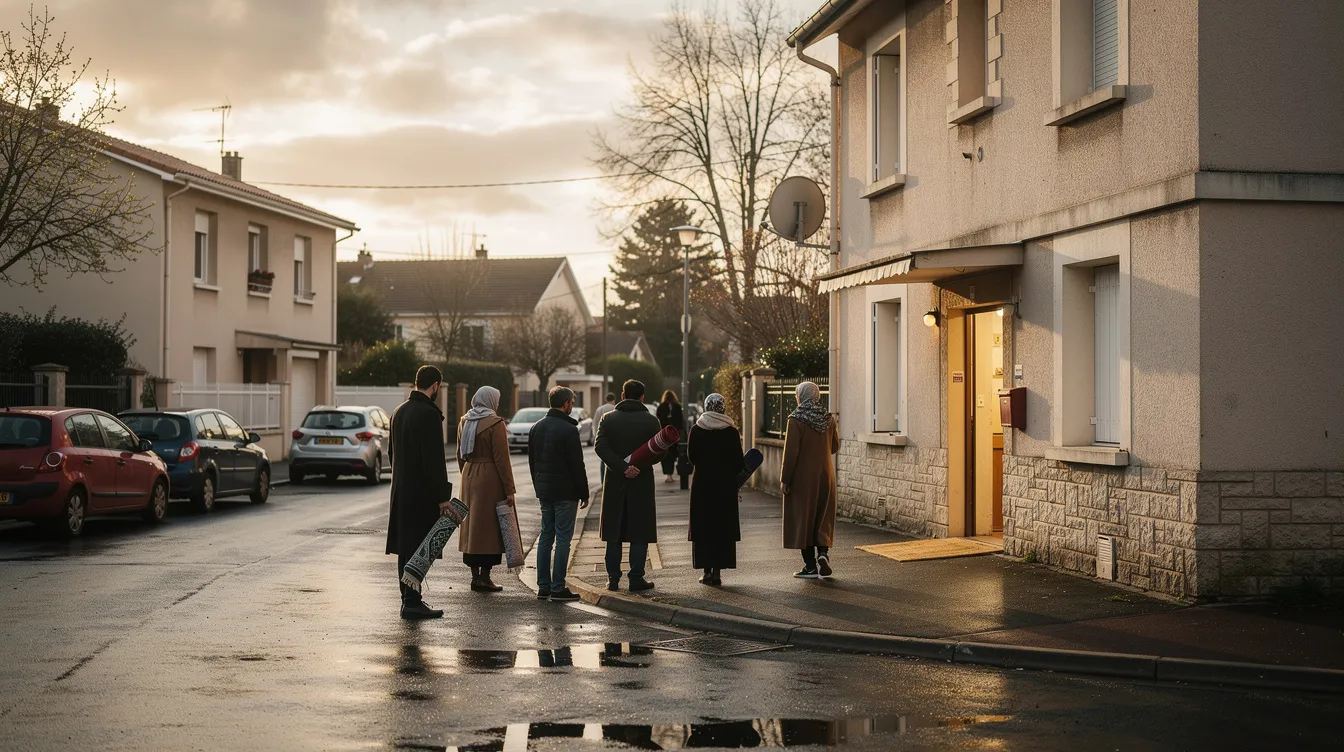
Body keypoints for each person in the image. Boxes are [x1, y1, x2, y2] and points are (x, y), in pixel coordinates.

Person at [386, 365, 455, 620]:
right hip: (422, 493)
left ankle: (407, 598)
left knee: (405, 546)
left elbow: (391, 454)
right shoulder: (429, 414)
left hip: (401, 491)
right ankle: (413, 602)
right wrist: (442, 497)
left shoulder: (398, 412)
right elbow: (434, 461)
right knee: (420, 548)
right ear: (436, 385)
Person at [595, 379, 661, 592]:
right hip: (641, 481)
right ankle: (636, 578)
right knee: (639, 532)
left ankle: (613, 579)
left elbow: (600, 447)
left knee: (614, 531)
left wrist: (622, 467)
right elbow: (661, 451)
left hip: (615, 480)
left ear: (622, 395)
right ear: (642, 397)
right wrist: (637, 465)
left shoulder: (608, 419)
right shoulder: (651, 421)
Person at [528, 386, 590, 602]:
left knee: (546, 536)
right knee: (563, 538)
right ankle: (558, 587)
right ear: (565, 404)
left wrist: (539, 486)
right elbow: (577, 465)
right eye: (571, 402)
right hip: (565, 492)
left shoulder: (536, 427)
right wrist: (584, 492)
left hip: (545, 491)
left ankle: (543, 586)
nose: (572, 405)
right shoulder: (569, 430)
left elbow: (532, 462)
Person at [456, 386, 516, 592]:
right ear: (491, 400)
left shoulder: (465, 421)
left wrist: (467, 474)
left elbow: (459, 454)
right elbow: (502, 460)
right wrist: (509, 490)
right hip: (489, 477)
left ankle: (474, 576)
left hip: (469, 474)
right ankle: (484, 577)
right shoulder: (495, 423)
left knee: (472, 528)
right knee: (489, 528)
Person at [780, 381, 840, 579]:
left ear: (801, 395)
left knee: (803, 518)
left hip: (803, 478)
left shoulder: (796, 419)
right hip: (826, 475)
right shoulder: (828, 418)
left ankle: (810, 566)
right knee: (822, 515)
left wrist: (785, 479)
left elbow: (791, 454)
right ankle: (823, 553)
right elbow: (834, 446)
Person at [686, 393, 745, 586]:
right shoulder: (731, 431)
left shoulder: (696, 429)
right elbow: (738, 462)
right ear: (723, 407)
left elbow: (691, 457)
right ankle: (718, 571)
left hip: (702, 484)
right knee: (722, 526)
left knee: (704, 526)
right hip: (725, 485)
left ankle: (706, 571)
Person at [655, 390, 685, 484]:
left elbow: (658, 420)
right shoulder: (677, 407)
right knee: (672, 454)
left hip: (664, 434)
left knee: (665, 455)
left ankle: (668, 474)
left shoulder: (661, 407)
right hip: (674, 434)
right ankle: (670, 474)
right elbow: (680, 421)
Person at [592, 393, 617, 484]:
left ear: (606, 399)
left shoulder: (600, 409)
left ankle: (603, 482)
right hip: (614, 437)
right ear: (613, 399)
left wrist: (596, 436)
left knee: (603, 460)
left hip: (603, 436)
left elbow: (595, 423)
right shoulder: (616, 408)